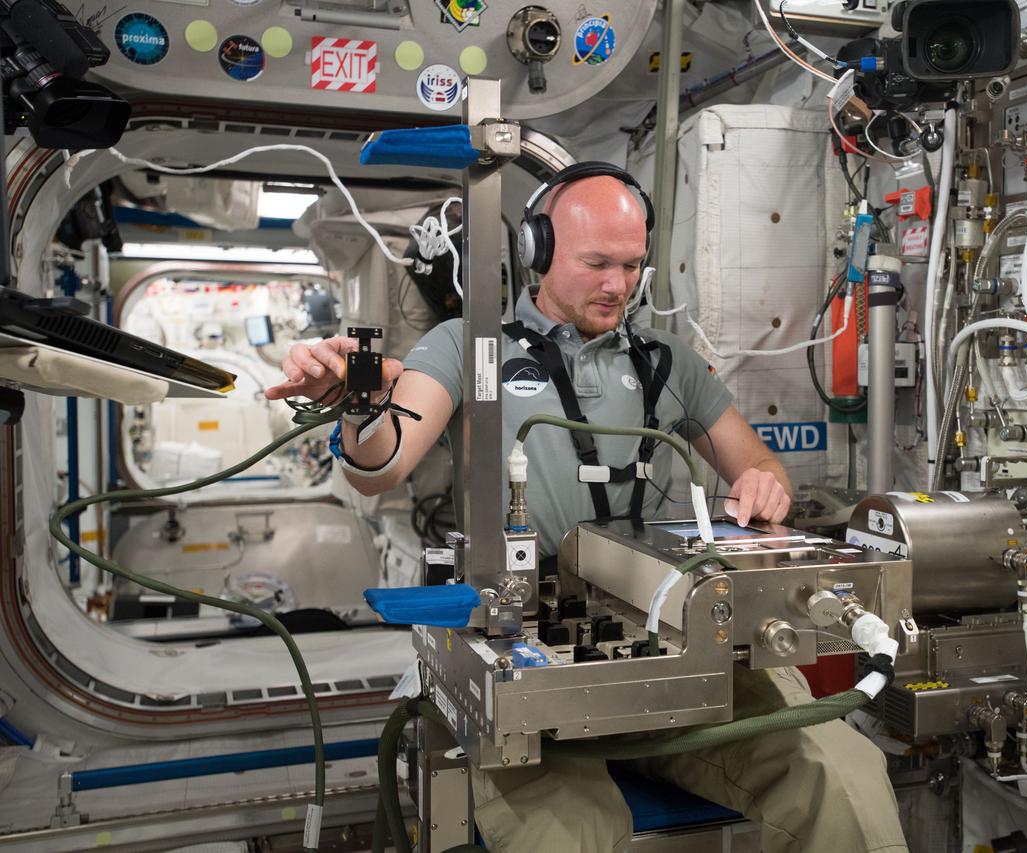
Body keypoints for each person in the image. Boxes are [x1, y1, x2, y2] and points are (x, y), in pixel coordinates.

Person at [265, 163, 909, 853]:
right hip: (526, 638)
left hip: (672, 640)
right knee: (568, 836)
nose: (618, 284)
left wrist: (765, 484)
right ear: (538, 252)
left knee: (846, 779)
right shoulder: (467, 348)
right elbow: (381, 462)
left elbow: (756, 462)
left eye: (632, 265)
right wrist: (359, 400)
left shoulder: (669, 363)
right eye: (597, 262)